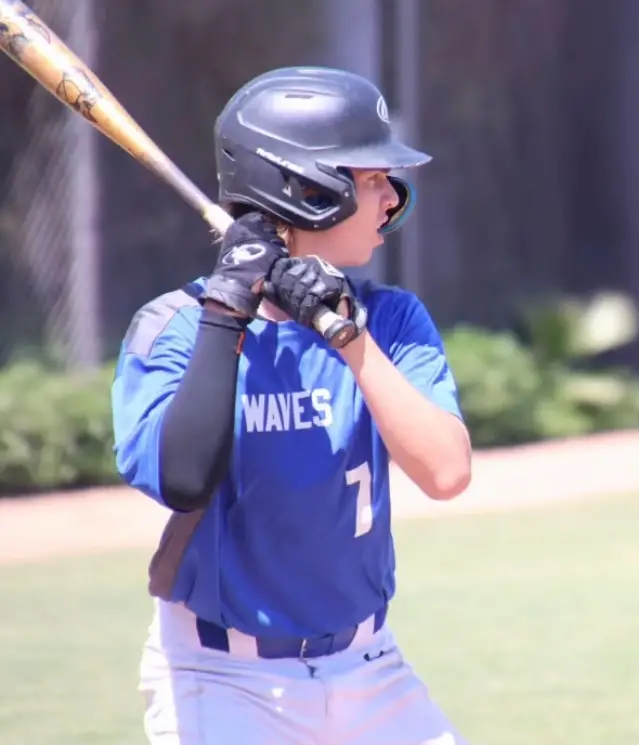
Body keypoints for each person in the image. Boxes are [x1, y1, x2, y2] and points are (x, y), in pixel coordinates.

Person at [111, 66, 473, 745]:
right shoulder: (176, 328)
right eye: (372, 178)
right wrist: (228, 310)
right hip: (222, 678)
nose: (392, 198)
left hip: (370, 667)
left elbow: (446, 472)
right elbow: (182, 479)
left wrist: (345, 334)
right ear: (308, 193)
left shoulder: (389, 320)